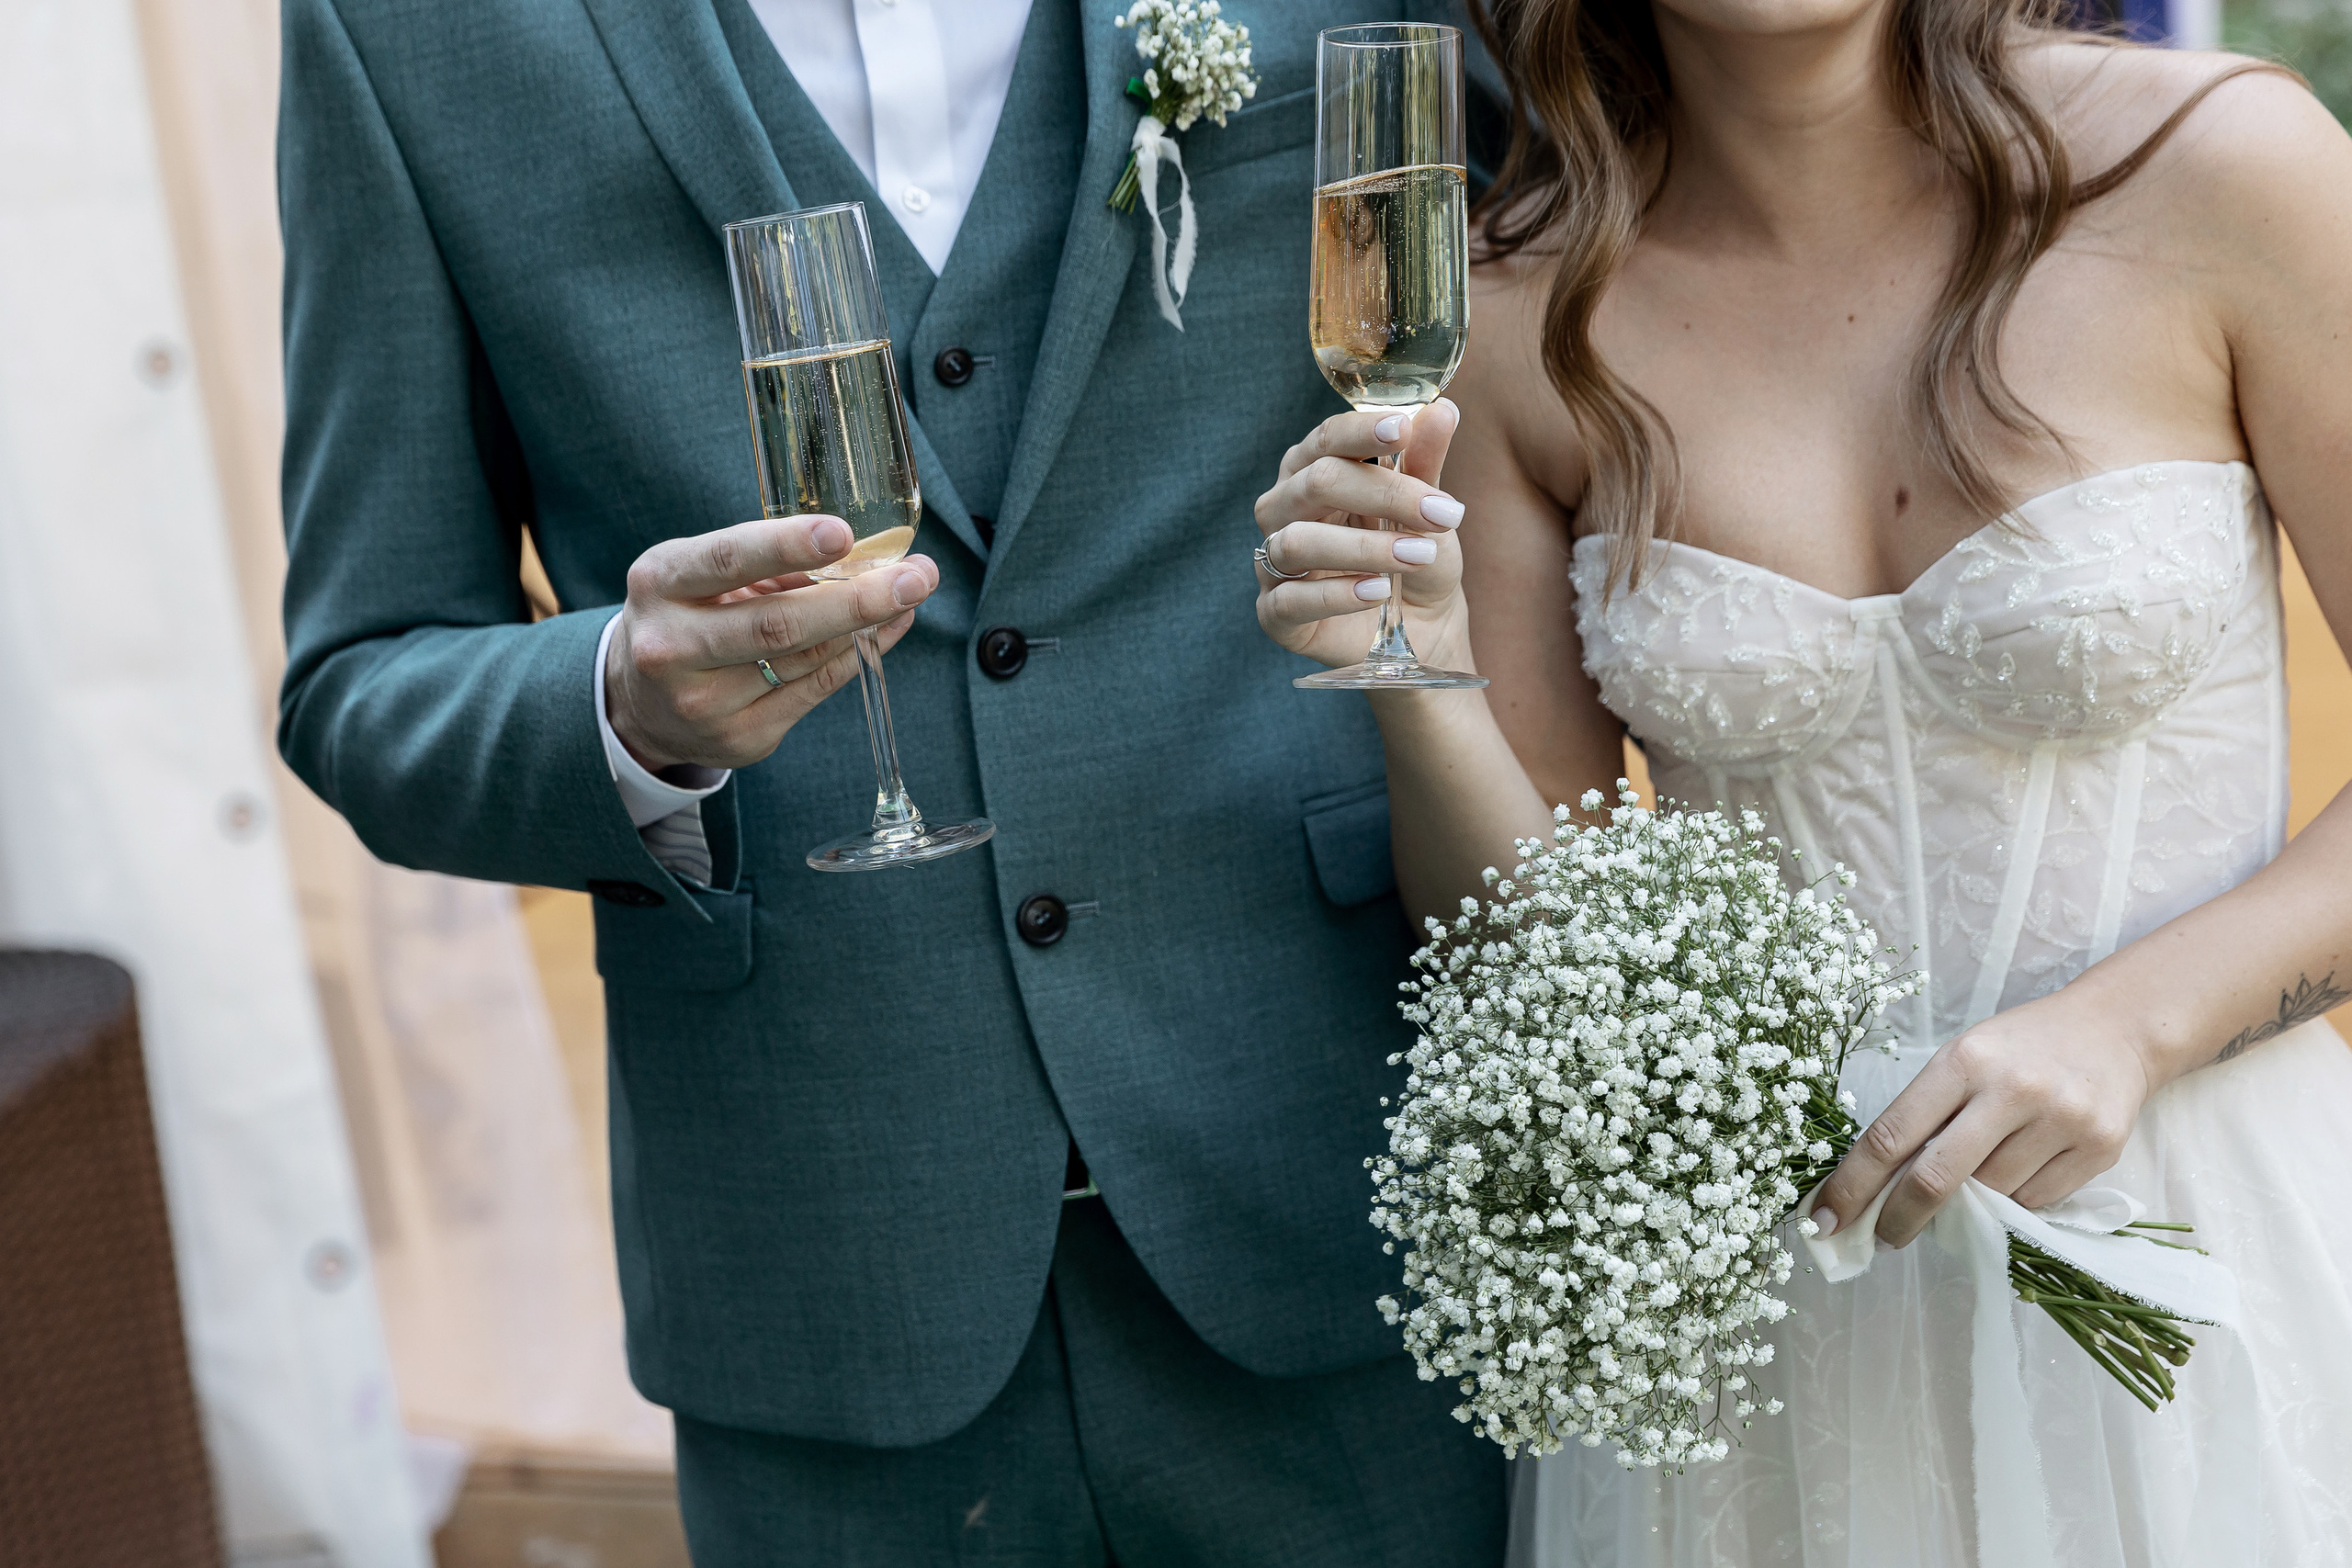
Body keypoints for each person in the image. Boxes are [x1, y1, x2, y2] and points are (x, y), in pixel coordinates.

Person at [275, 0, 1509, 1562]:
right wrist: (618, 704)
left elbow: (1642, 207)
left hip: (1348, 1187)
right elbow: (360, 676)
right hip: (828, 1283)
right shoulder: (396, 33)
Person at [1252, 0, 2352, 1560]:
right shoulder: (1507, 314)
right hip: (1772, 1333)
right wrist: (1416, 674)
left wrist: (2133, 1027)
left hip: (2211, 1244)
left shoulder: (2224, 165)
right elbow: (1535, 948)